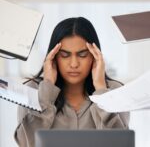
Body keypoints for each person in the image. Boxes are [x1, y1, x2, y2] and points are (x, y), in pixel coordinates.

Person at [14, 17, 129, 147]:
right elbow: (26, 143)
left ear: (95, 55)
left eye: (82, 55)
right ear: (54, 57)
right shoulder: (32, 91)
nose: (74, 64)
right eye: (64, 55)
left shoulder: (115, 92)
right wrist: (47, 88)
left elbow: (121, 144)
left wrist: (101, 90)